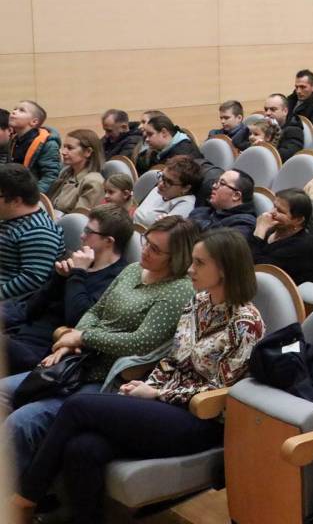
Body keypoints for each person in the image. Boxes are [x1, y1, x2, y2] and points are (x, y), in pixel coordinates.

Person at [13, 229, 264, 522]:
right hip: (163, 403)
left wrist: (158, 393)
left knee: (78, 406)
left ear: (224, 269)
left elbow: (221, 390)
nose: (190, 269)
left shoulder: (246, 323)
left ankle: (25, 499)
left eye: (199, 263)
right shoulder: (199, 303)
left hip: (200, 419)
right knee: (83, 447)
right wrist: (147, 384)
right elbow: (172, 360)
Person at [1, 215, 196, 478]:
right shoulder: (132, 270)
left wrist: (82, 338)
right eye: (146, 242)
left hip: (109, 375)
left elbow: (141, 342)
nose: (146, 251)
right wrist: (72, 340)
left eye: (156, 249)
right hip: (78, 360)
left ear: (177, 257)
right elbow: (94, 311)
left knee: (22, 421)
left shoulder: (179, 290)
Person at [2, 204, 131, 375]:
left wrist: (78, 274)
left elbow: (79, 321)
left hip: (46, 350)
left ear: (108, 241)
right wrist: (59, 277)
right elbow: (32, 307)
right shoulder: (78, 261)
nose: (82, 236)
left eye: (89, 232)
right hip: (20, 332)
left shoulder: (116, 280)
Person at [0, 165, 64, 301]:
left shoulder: (39, 231)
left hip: (9, 304)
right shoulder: (11, 218)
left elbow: (32, 279)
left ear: (16, 201)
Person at [250, 188, 313, 286]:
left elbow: (259, 268)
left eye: (280, 211)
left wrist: (259, 231)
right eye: (274, 206)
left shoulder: (302, 246)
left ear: (298, 220)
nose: (271, 212)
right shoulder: (271, 228)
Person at [6, 101, 62, 193]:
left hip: (32, 195)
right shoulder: (14, 139)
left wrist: (33, 196)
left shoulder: (48, 143)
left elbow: (50, 176)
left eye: (22, 110)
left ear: (34, 121)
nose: (14, 112)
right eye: (15, 109)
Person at [46, 129, 105, 216]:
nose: (63, 152)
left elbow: (78, 219)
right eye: (64, 147)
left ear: (88, 152)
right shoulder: (66, 173)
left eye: (70, 148)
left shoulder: (93, 182)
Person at [133, 154, 201, 227]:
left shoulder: (185, 206)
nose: (160, 184)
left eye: (169, 182)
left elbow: (163, 232)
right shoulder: (161, 189)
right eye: (162, 176)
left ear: (186, 188)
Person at [188, 169, 257, 237]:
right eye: (216, 182)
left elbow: (214, 242)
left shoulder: (243, 224)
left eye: (222, 183)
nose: (214, 186)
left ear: (236, 195)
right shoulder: (201, 211)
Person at [135, 114, 203, 175]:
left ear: (164, 132)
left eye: (150, 134)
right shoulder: (159, 150)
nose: (146, 139)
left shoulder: (182, 156)